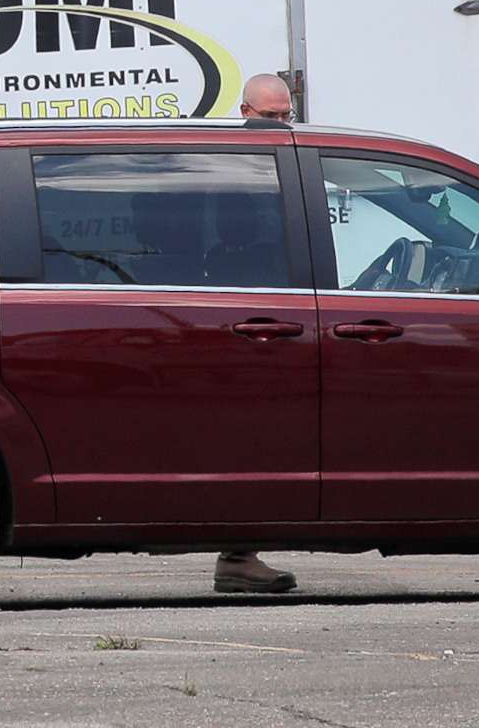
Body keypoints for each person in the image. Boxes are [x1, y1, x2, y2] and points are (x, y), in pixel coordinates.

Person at [216, 71, 300, 597]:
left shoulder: (284, 166)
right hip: (240, 323)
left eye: (287, 115)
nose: (282, 125)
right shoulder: (228, 170)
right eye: (271, 116)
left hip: (274, 321)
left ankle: (239, 554)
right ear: (245, 112)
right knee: (246, 440)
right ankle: (236, 553)